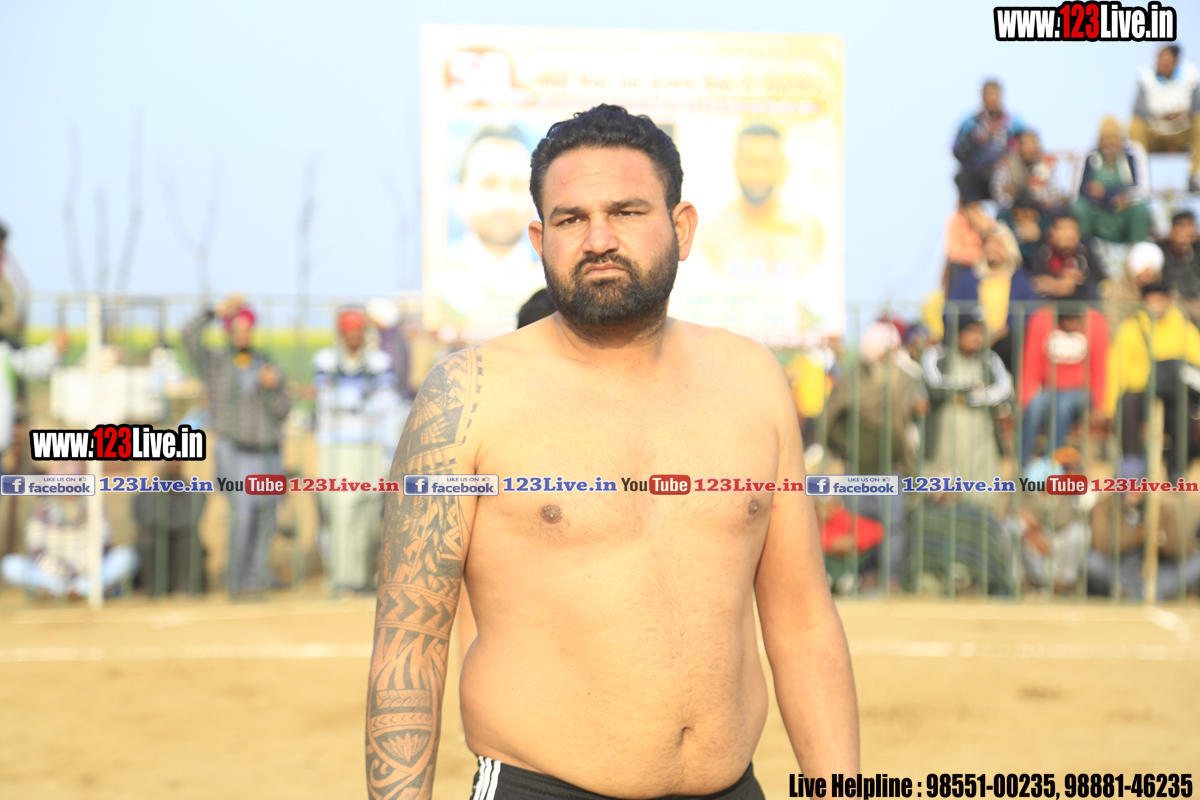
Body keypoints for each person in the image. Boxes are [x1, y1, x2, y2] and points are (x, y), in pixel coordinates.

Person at [366, 104, 859, 800]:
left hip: (731, 785)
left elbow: (803, 622)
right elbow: (408, 645)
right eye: (571, 219)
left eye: (627, 212)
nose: (599, 238)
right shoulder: (466, 395)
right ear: (540, 239)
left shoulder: (753, 380)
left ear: (682, 228)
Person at [183, 294, 291, 594]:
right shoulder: (215, 362)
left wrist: (274, 388)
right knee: (242, 516)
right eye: (238, 328)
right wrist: (215, 311)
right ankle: (237, 580)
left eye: (248, 329)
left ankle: (256, 581)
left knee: (265, 518)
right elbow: (187, 334)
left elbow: (284, 410)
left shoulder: (266, 363)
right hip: (235, 451)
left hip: (268, 453)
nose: (244, 334)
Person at [311, 307, 402, 594]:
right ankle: (342, 578)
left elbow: (388, 403)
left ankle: (361, 578)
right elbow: (328, 401)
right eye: (348, 331)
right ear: (340, 333)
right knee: (341, 510)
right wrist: (364, 399)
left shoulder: (379, 361)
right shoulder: (325, 360)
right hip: (336, 446)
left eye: (357, 331)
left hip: (372, 445)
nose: (353, 336)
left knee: (368, 509)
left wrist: (358, 400)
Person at [429, 125, 546, 339]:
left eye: (518, 185)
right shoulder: (441, 284)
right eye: (489, 184)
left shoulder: (551, 279)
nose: (504, 202)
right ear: (459, 195)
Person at [698, 121, 825, 282]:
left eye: (768, 163)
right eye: (748, 163)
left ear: (783, 166)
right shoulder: (710, 235)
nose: (758, 174)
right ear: (735, 165)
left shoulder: (809, 230)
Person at [1106, 280, 1200, 479]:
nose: (1156, 307)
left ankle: (1176, 471)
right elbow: (1118, 367)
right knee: (1127, 405)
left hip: (1174, 389)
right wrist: (1110, 404)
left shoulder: (1181, 325)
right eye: (1151, 302)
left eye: (1160, 301)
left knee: (1183, 413)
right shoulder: (1131, 327)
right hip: (1140, 387)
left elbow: (1196, 357)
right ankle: (1133, 468)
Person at [921, 309, 1013, 510]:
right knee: (944, 498)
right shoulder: (937, 356)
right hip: (945, 439)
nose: (976, 338)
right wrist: (969, 388)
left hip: (981, 439)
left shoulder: (990, 360)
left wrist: (970, 398)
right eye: (970, 332)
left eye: (979, 332)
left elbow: (1004, 390)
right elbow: (935, 386)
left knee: (982, 497)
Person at [1, 463, 138, 598]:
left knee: (126, 557)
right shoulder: (41, 509)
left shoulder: (93, 506)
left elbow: (103, 545)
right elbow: (35, 549)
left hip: (87, 573)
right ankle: (77, 590)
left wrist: (81, 570)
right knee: (10, 565)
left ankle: (71, 590)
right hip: (52, 574)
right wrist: (59, 571)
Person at [1087, 457, 1200, 599]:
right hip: (1119, 572)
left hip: (1157, 575)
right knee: (1091, 562)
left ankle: (1150, 592)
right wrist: (1136, 537)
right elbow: (1101, 545)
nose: (1135, 490)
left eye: (1140, 485)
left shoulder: (1161, 509)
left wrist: (1162, 539)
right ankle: (1127, 591)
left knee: (1196, 561)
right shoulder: (1104, 507)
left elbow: (1185, 550)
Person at [1018, 306, 1108, 465]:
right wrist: (1024, 398)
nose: (1072, 323)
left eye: (1075, 319)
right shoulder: (1042, 320)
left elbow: (1100, 367)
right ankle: (1023, 465)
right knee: (1034, 407)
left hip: (1080, 391)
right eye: (1067, 319)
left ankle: (1049, 464)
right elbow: (1031, 364)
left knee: (1062, 407)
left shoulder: (1095, 322)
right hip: (1050, 389)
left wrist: (1099, 404)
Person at [945, 223, 1039, 370]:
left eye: (997, 244)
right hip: (974, 343)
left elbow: (1032, 314)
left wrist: (1006, 330)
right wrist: (970, 330)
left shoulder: (1021, 280)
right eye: (988, 245)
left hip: (1008, 343)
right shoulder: (968, 279)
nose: (992, 249)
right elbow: (950, 312)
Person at [1016, 448, 1090, 592]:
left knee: (1079, 531)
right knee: (1014, 527)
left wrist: (1037, 526)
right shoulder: (1025, 490)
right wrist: (1032, 532)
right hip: (1032, 546)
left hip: (1056, 543)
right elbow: (1012, 513)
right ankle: (1019, 583)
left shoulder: (1066, 492)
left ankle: (1064, 584)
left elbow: (1063, 520)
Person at [1129, 45, 1200, 193]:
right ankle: (1141, 181)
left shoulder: (1191, 76)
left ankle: (1194, 177)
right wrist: (1161, 116)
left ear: (1175, 61)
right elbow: (1137, 111)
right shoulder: (1145, 78)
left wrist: (1181, 114)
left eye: (1166, 62)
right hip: (1155, 131)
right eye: (1159, 59)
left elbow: (1196, 107)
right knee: (1134, 126)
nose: (1161, 64)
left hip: (1182, 132)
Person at [1071, 117, 1153, 246]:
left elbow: (1143, 190)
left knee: (1141, 209)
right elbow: (1077, 192)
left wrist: (1114, 195)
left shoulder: (1132, 155)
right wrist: (1104, 197)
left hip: (1124, 211)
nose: (1110, 145)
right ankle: (1083, 249)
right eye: (1106, 140)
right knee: (1078, 208)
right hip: (1096, 211)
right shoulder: (1089, 155)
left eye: (1114, 140)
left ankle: (1137, 250)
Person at [132, 460, 208, 594]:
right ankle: (153, 589)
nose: (173, 467)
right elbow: (144, 520)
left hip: (181, 539)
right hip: (155, 539)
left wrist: (165, 522)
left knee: (189, 540)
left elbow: (188, 521)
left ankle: (184, 588)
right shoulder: (144, 496)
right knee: (147, 541)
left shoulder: (193, 493)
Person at [953, 80, 1024, 203]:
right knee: (962, 178)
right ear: (982, 97)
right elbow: (957, 150)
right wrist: (977, 140)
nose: (991, 98)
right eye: (987, 94)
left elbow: (1026, 143)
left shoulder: (1012, 122)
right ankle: (973, 210)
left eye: (994, 94)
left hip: (1006, 171)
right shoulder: (971, 123)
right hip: (979, 170)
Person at [1029, 214, 1104, 304]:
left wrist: (1076, 280)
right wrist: (1058, 282)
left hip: (1080, 298)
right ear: (1052, 232)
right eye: (1062, 229)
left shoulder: (1084, 248)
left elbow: (1098, 275)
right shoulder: (1043, 249)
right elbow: (1037, 276)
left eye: (1071, 228)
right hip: (1051, 298)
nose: (1067, 234)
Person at [990, 129, 1062, 212]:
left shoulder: (1046, 163)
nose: (1030, 148)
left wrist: (1039, 193)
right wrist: (1016, 194)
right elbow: (998, 193)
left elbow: (1054, 196)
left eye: (1033, 143)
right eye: (1026, 144)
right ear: (1019, 146)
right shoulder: (1007, 163)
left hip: (1040, 210)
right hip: (1014, 210)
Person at [942, 199, 997, 292]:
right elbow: (954, 251)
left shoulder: (986, 220)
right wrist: (979, 256)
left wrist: (982, 229)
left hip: (983, 266)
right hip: (963, 267)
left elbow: (995, 243)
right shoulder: (956, 221)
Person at [1160, 210, 1200, 318]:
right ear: (1172, 229)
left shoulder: (1197, 250)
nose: (1186, 231)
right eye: (1181, 226)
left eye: (1190, 225)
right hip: (1171, 306)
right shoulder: (1160, 251)